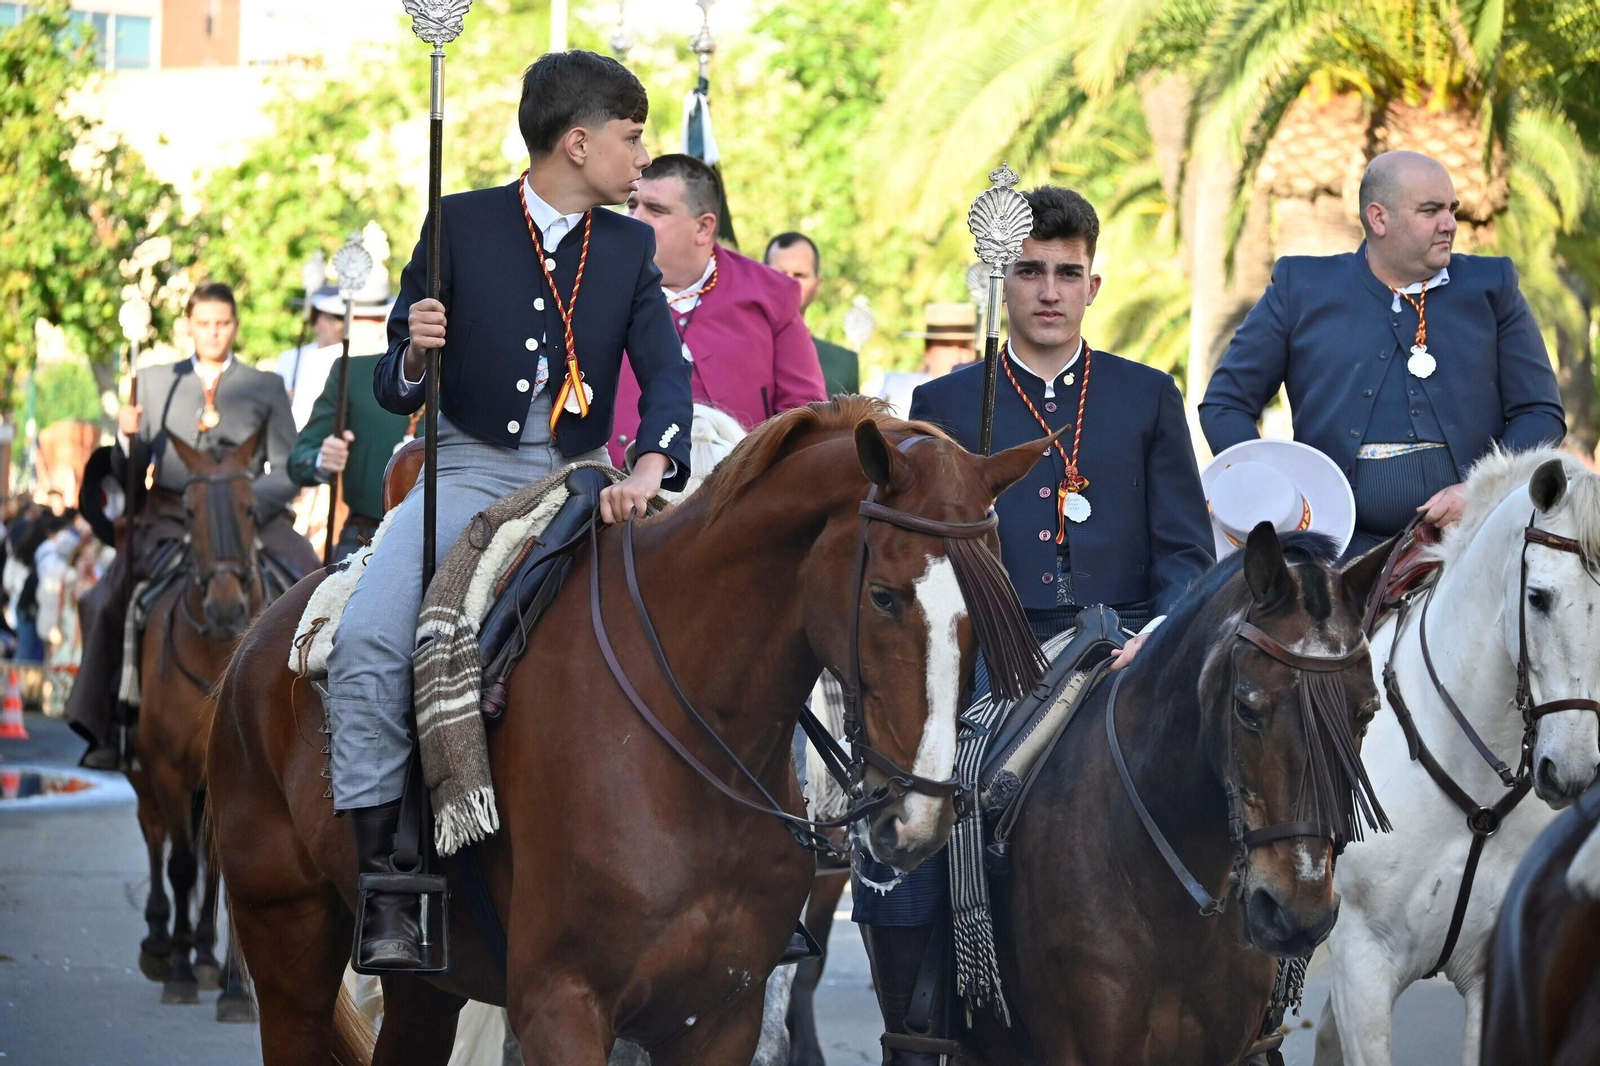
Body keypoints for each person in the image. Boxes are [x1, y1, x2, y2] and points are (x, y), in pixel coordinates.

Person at [326, 50, 694, 972]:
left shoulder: (627, 245)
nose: (642, 160)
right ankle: (389, 888)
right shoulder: (459, 223)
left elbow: (667, 375)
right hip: (468, 471)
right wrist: (415, 349)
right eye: (631, 139)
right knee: (370, 639)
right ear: (578, 144)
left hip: (581, 477)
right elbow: (391, 384)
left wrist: (650, 466)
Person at [861, 185, 1215, 1064]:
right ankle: (923, 1022)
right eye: (1029, 272)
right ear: (1001, 281)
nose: (1049, 290)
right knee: (918, 811)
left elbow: (1184, 549)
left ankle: (1248, 1009)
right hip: (993, 649)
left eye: (1068, 272)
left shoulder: (1145, 396)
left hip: (1129, 640)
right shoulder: (944, 399)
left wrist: (1165, 631)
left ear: (1094, 285)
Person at [1200, 150, 1565, 556]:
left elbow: (1540, 412)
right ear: (1378, 218)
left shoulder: (1491, 286)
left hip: (1474, 539)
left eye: (1452, 209)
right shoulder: (1300, 287)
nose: (1449, 224)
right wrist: (1276, 489)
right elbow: (1225, 404)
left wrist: (1479, 492)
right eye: (1431, 211)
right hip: (1333, 547)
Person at [67, 281, 319, 770]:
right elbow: (132, 471)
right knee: (107, 597)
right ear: (189, 326)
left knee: (310, 575)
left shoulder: (264, 385)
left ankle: (317, 712)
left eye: (222, 323)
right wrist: (126, 438)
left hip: (250, 517)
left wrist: (242, 503)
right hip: (170, 515)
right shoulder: (155, 380)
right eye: (203, 323)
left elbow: (289, 469)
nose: (213, 333)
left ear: (235, 326)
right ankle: (112, 723)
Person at [607, 153, 825, 464]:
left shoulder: (772, 294)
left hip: (741, 498)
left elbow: (807, 417)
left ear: (704, 228)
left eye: (655, 210)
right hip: (617, 493)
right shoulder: (593, 286)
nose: (635, 219)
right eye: (632, 205)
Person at [287, 257, 410, 562]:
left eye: (373, 318)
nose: (362, 327)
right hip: (363, 535)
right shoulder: (349, 372)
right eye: (355, 319)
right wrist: (322, 459)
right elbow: (299, 458)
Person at [764, 231, 859, 395]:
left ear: (818, 284)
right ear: (761, 277)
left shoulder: (843, 364)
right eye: (780, 274)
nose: (789, 282)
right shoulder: (738, 346)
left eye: (800, 275)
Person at [878, 302, 978, 418]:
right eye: (946, 344)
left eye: (964, 345)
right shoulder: (897, 388)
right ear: (927, 352)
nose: (956, 353)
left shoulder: (982, 396)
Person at [276, 284, 346, 428]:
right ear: (315, 321)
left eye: (339, 318)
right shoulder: (289, 357)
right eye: (329, 318)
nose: (336, 326)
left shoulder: (349, 358)